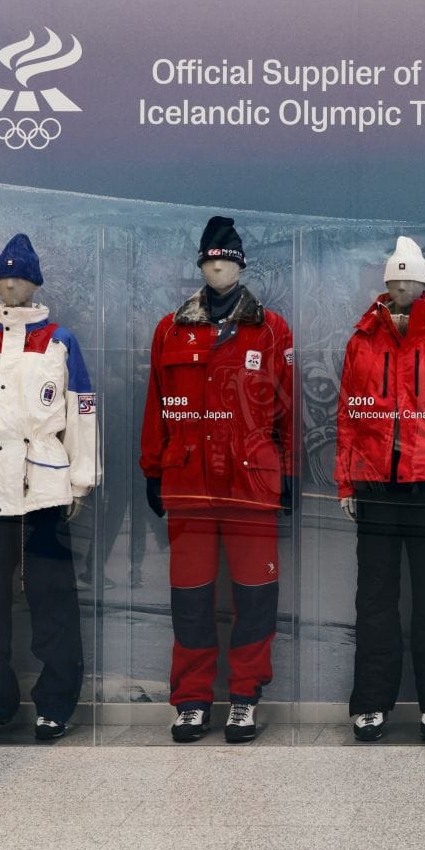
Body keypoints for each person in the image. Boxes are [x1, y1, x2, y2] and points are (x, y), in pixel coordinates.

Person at [140, 216, 294, 745]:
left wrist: (289, 471)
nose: (218, 267)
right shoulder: (170, 329)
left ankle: (245, 698)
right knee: (190, 599)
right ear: (201, 266)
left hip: (252, 485)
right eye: (210, 260)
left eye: (226, 260)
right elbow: (158, 405)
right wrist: (152, 469)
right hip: (189, 484)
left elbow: (286, 407)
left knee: (256, 597)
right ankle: (191, 701)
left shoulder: (270, 330)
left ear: (241, 266)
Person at [0, 233, 98, 742]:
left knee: (52, 600)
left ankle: (56, 703)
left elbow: (81, 411)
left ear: (35, 283)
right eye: (3, 276)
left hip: (43, 489)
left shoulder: (59, 340)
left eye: (19, 276)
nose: (10, 284)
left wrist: (81, 480)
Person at [337, 237, 425, 743]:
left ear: (423, 284)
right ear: (385, 284)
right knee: (374, 600)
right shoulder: (361, 341)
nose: (401, 287)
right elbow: (348, 416)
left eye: (410, 280)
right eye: (394, 280)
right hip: (375, 484)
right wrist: (346, 479)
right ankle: (370, 703)